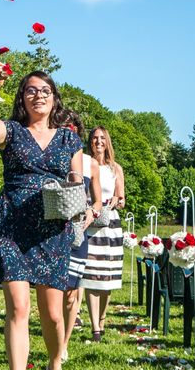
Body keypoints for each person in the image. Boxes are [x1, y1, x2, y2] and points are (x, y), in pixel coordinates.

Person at [0, 65, 84, 370]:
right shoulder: (11, 131)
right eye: (31, 90)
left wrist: (77, 203)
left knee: (53, 314)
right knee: (18, 308)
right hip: (12, 226)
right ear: (22, 97)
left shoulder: (69, 140)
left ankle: (54, 361)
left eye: (45, 90)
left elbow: (77, 183)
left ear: (54, 99)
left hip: (52, 229)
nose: (38, 95)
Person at [59, 110, 101, 363]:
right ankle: (52, 342)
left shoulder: (90, 163)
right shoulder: (48, 155)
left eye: (73, 126)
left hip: (77, 233)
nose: (69, 129)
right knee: (52, 290)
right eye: (64, 125)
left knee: (71, 292)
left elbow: (96, 201)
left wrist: (91, 215)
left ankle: (63, 344)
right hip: (51, 231)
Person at [80, 125, 125, 342]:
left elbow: (123, 198)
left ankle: (103, 318)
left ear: (107, 142)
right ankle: (95, 327)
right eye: (95, 138)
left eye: (102, 138)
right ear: (90, 142)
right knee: (92, 276)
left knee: (107, 280)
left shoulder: (115, 168)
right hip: (91, 222)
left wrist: (117, 201)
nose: (98, 142)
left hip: (111, 225)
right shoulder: (86, 164)